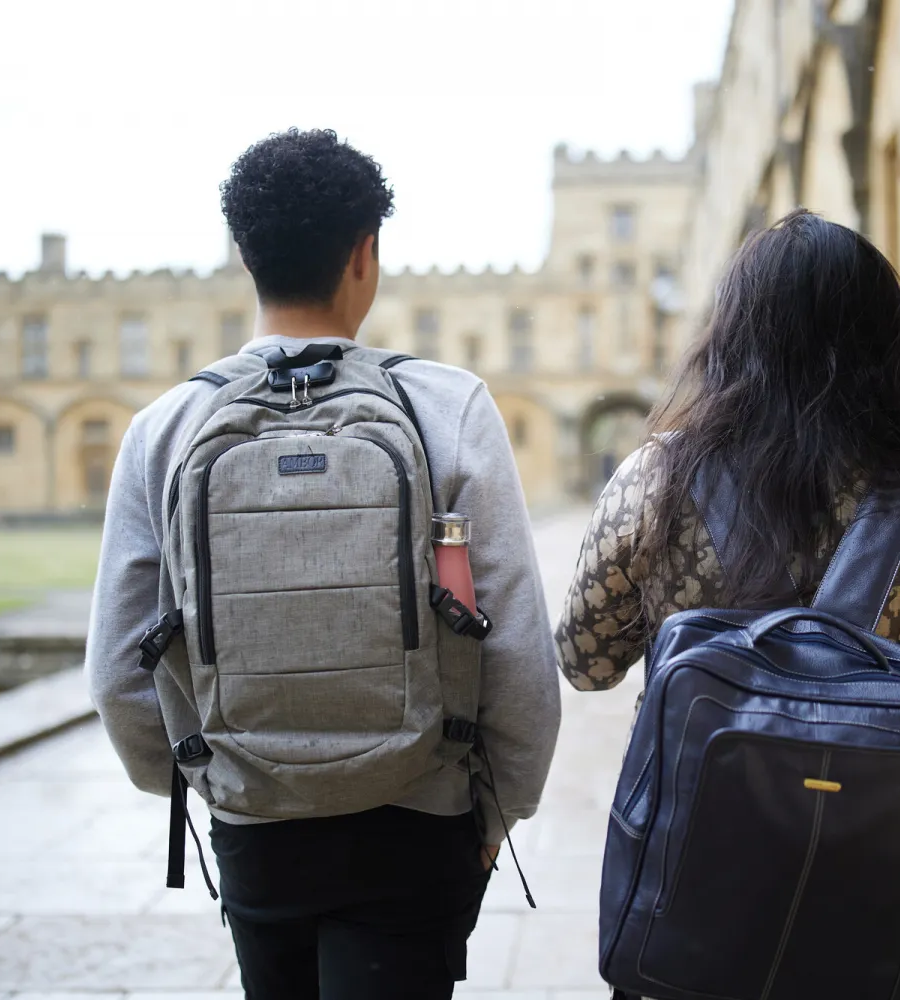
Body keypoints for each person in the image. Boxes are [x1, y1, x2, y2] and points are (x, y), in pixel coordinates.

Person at [87, 128, 561, 1000]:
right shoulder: (447, 406)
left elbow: (119, 668)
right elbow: (519, 651)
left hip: (254, 821)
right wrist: (500, 811)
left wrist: (208, 781)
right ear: (364, 253)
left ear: (244, 254)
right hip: (420, 814)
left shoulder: (165, 428)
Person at [554, 210, 900, 999]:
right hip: (883, 903)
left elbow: (584, 662)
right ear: (885, 342)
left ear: (732, 336)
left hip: (697, 892)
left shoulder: (655, 480)